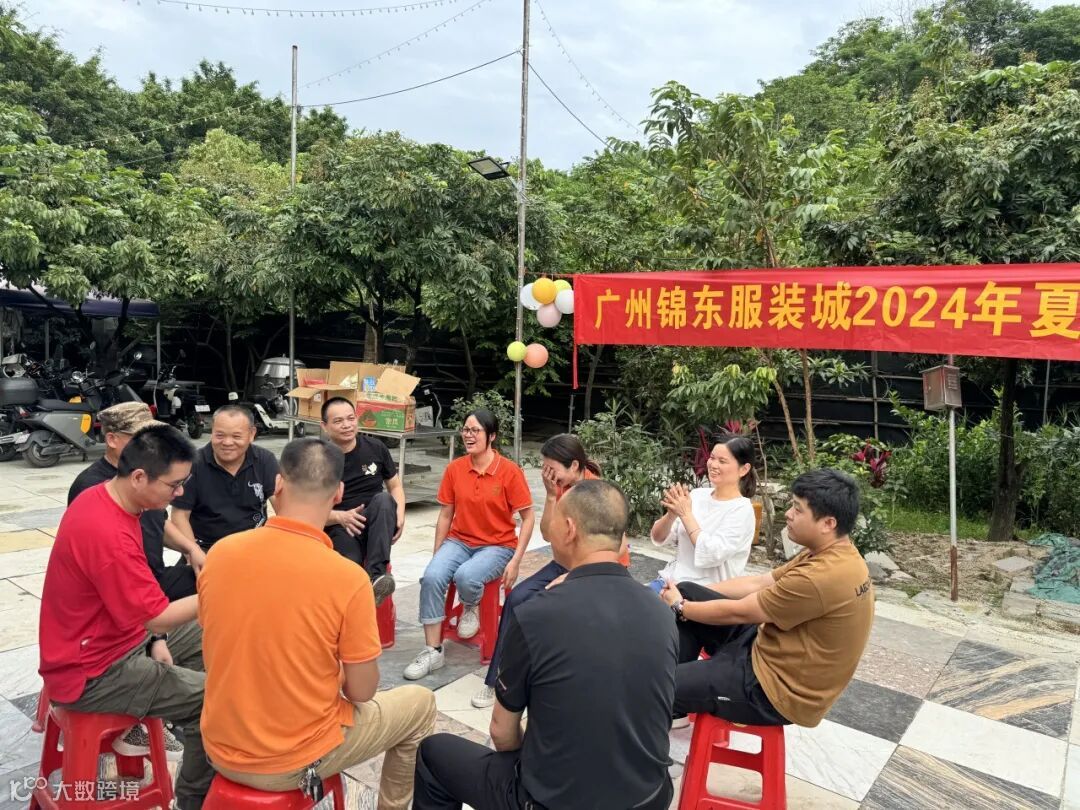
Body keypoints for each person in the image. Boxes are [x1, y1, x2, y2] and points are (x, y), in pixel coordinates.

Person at [199, 437, 436, 810]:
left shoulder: (220, 554)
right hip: (291, 758)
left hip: (218, 746)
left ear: (279, 483)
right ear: (338, 493)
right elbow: (362, 692)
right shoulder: (348, 579)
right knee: (420, 705)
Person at [413, 480, 677, 810]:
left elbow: (502, 734)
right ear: (621, 538)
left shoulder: (536, 615)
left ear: (569, 529)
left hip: (554, 802)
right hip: (650, 797)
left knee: (434, 753)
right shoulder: (661, 611)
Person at [39, 426, 213, 810]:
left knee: (211, 635)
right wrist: (223, 591)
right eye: (174, 485)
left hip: (118, 638)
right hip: (91, 672)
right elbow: (158, 617)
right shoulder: (108, 535)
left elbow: (148, 616)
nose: (179, 493)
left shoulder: (107, 496)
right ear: (138, 477)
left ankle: (188, 721)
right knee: (219, 701)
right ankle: (194, 799)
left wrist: (158, 639)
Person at [660, 468, 874, 729]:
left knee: (655, 684)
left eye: (798, 509)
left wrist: (681, 606)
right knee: (689, 590)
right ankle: (675, 704)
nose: (788, 514)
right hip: (767, 648)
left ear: (828, 524)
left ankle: (668, 696)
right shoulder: (831, 552)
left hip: (772, 689)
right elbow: (758, 582)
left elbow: (741, 611)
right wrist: (685, 595)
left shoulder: (821, 576)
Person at [470, 433, 600, 709]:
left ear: (574, 466)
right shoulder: (561, 487)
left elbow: (614, 550)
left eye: (552, 469)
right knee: (517, 599)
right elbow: (548, 534)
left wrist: (574, 577)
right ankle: (497, 680)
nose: (548, 475)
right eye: (545, 468)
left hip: (591, 572)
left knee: (552, 611)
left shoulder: (597, 494)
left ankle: (545, 680)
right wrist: (551, 497)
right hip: (561, 565)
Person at [403, 409, 535, 681]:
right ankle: (433, 651)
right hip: (459, 540)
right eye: (465, 429)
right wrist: (437, 553)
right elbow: (445, 515)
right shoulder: (455, 469)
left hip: (498, 545)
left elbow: (528, 517)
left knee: (466, 576)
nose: (468, 435)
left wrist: (516, 561)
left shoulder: (509, 472)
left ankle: (470, 605)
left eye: (476, 430)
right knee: (432, 576)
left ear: (492, 436)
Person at [68, 402, 206, 601]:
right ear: (112, 439)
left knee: (221, 573)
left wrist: (191, 549)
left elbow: (159, 521)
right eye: (141, 438)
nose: (151, 444)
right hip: (123, 588)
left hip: (154, 575)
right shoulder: (92, 487)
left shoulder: (153, 473)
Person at [320, 396, 405, 605]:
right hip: (341, 526)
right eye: (338, 421)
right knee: (350, 568)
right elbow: (308, 510)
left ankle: (377, 578)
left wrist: (400, 515)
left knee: (384, 500)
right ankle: (356, 602)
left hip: (375, 520)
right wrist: (339, 517)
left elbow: (395, 486)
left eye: (351, 418)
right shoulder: (318, 458)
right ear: (324, 426)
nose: (347, 425)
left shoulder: (375, 448)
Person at [648, 434, 758, 593]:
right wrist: (671, 515)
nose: (713, 464)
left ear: (744, 469)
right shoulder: (697, 495)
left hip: (704, 593)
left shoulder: (742, 510)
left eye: (722, 461)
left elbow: (711, 554)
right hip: (669, 582)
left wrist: (685, 514)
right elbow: (657, 538)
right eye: (712, 458)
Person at [170, 404, 279, 551]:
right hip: (206, 547)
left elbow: (283, 507)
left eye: (236, 436)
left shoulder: (265, 460)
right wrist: (193, 553)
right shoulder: (193, 464)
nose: (227, 443)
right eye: (220, 435)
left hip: (254, 546)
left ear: (252, 434)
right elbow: (180, 516)